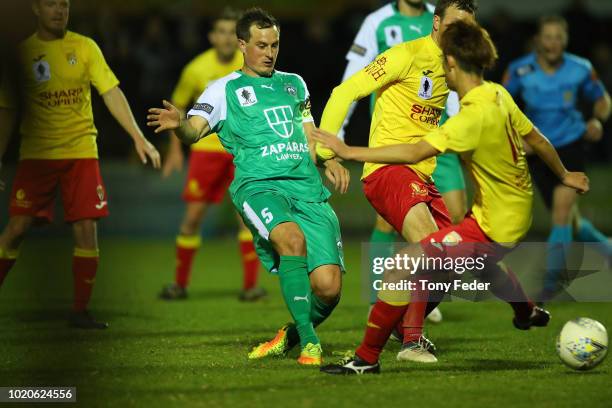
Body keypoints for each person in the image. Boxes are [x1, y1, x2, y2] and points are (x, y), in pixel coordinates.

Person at [313, 21, 582, 374]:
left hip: (492, 226)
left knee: (402, 267)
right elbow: (538, 140)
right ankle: (524, 310)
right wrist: (565, 175)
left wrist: (347, 150)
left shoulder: (468, 119)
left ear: (452, 64)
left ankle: (369, 358)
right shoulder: (498, 96)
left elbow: (413, 153)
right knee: (466, 265)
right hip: (507, 216)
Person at [147, 8, 349, 366]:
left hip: (306, 187)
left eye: (274, 45)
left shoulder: (294, 84)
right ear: (243, 44)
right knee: (291, 240)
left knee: (329, 288)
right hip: (259, 186)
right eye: (261, 45)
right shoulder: (224, 89)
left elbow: (308, 134)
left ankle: (291, 334)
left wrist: (327, 159)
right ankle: (310, 344)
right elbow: (195, 129)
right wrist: (179, 125)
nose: (269, 52)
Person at [316, 0, 477, 358]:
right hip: (389, 170)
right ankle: (411, 340)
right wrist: (328, 150)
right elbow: (345, 91)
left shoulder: (456, 66)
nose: (459, 34)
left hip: (423, 172)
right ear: (436, 23)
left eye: (466, 28)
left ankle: (398, 320)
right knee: (427, 244)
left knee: (454, 261)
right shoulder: (404, 55)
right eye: (453, 25)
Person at [0, 0, 161, 329]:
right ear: (35, 9)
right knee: (16, 229)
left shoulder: (85, 47)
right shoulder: (22, 53)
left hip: (81, 151)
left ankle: (80, 311)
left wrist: (138, 137)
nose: (59, 11)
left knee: (87, 229)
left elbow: (111, 92)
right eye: (51, 5)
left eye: (64, 5)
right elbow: (8, 110)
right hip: (37, 155)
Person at [159, 8, 266, 302]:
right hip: (206, 152)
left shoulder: (250, 66)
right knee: (192, 218)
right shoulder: (196, 69)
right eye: (220, 31)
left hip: (240, 152)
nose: (226, 38)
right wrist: (175, 150)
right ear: (211, 36)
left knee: (247, 218)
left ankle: (250, 287)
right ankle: (180, 284)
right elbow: (176, 109)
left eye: (231, 32)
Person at [503, 15, 611, 301]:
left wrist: (597, 121)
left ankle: (551, 283)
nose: (553, 43)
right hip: (538, 152)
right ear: (538, 40)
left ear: (565, 41)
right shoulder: (519, 71)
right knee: (569, 222)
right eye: (547, 37)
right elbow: (500, 107)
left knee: (562, 211)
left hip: (571, 146)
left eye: (558, 37)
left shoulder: (580, 68)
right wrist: (519, 138)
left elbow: (603, 100)